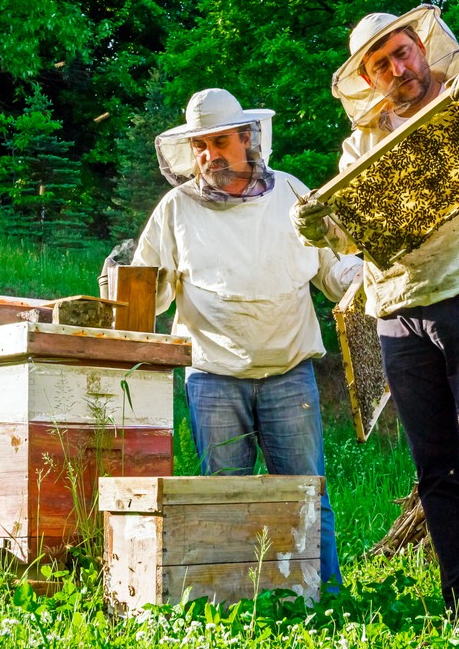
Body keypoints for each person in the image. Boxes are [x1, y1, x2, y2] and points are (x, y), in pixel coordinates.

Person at [292, 5, 459, 619]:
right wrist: (317, 224)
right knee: (434, 467)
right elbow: (351, 233)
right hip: (400, 314)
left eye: (402, 51)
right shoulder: (362, 144)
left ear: (421, 46)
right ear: (368, 78)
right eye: (381, 63)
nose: (398, 67)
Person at [131, 87, 361, 588]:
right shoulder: (175, 209)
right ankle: (237, 603)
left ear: (247, 138)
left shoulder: (293, 193)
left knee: (307, 495)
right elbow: (146, 294)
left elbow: (335, 269)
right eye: (200, 147)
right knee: (224, 499)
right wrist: (118, 280)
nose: (209, 155)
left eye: (219, 142)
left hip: (289, 374)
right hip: (213, 377)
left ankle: (327, 596)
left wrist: (368, 273)